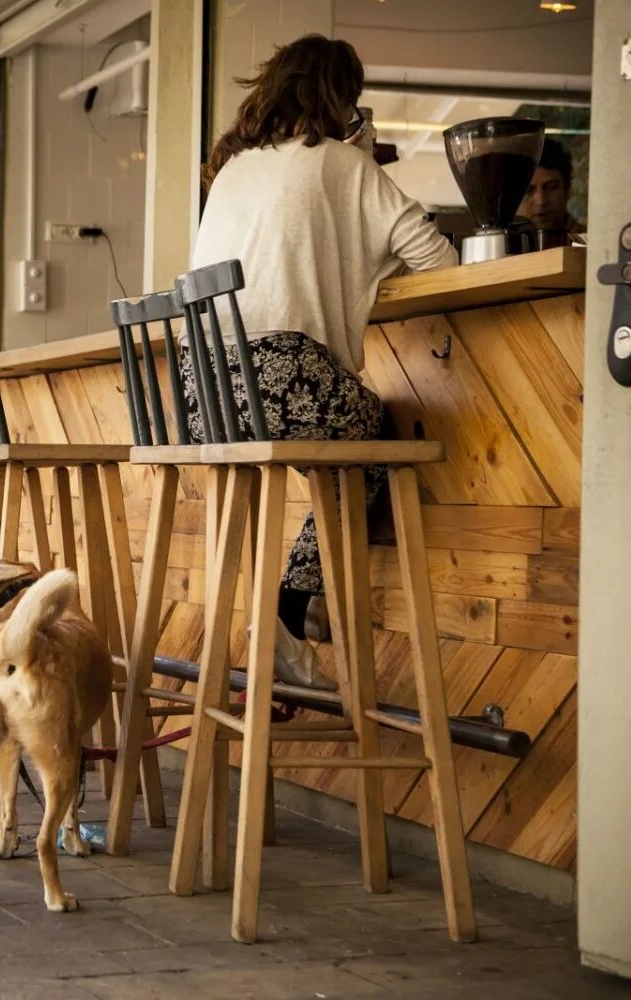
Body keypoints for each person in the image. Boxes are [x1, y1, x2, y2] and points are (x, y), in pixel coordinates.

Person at [193, 34, 457, 688]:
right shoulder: (341, 165)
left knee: (347, 443)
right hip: (283, 380)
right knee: (371, 438)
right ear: (345, 101)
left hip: (204, 399)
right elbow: (440, 261)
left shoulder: (232, 169)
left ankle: (285, 619)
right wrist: (361, 170)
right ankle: (287, 610)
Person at [518, 137, 583, 236]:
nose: (541, 201)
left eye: (551, 188)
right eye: (528, 191)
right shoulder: (496, 247)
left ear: (567, 190)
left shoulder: (590, 244)